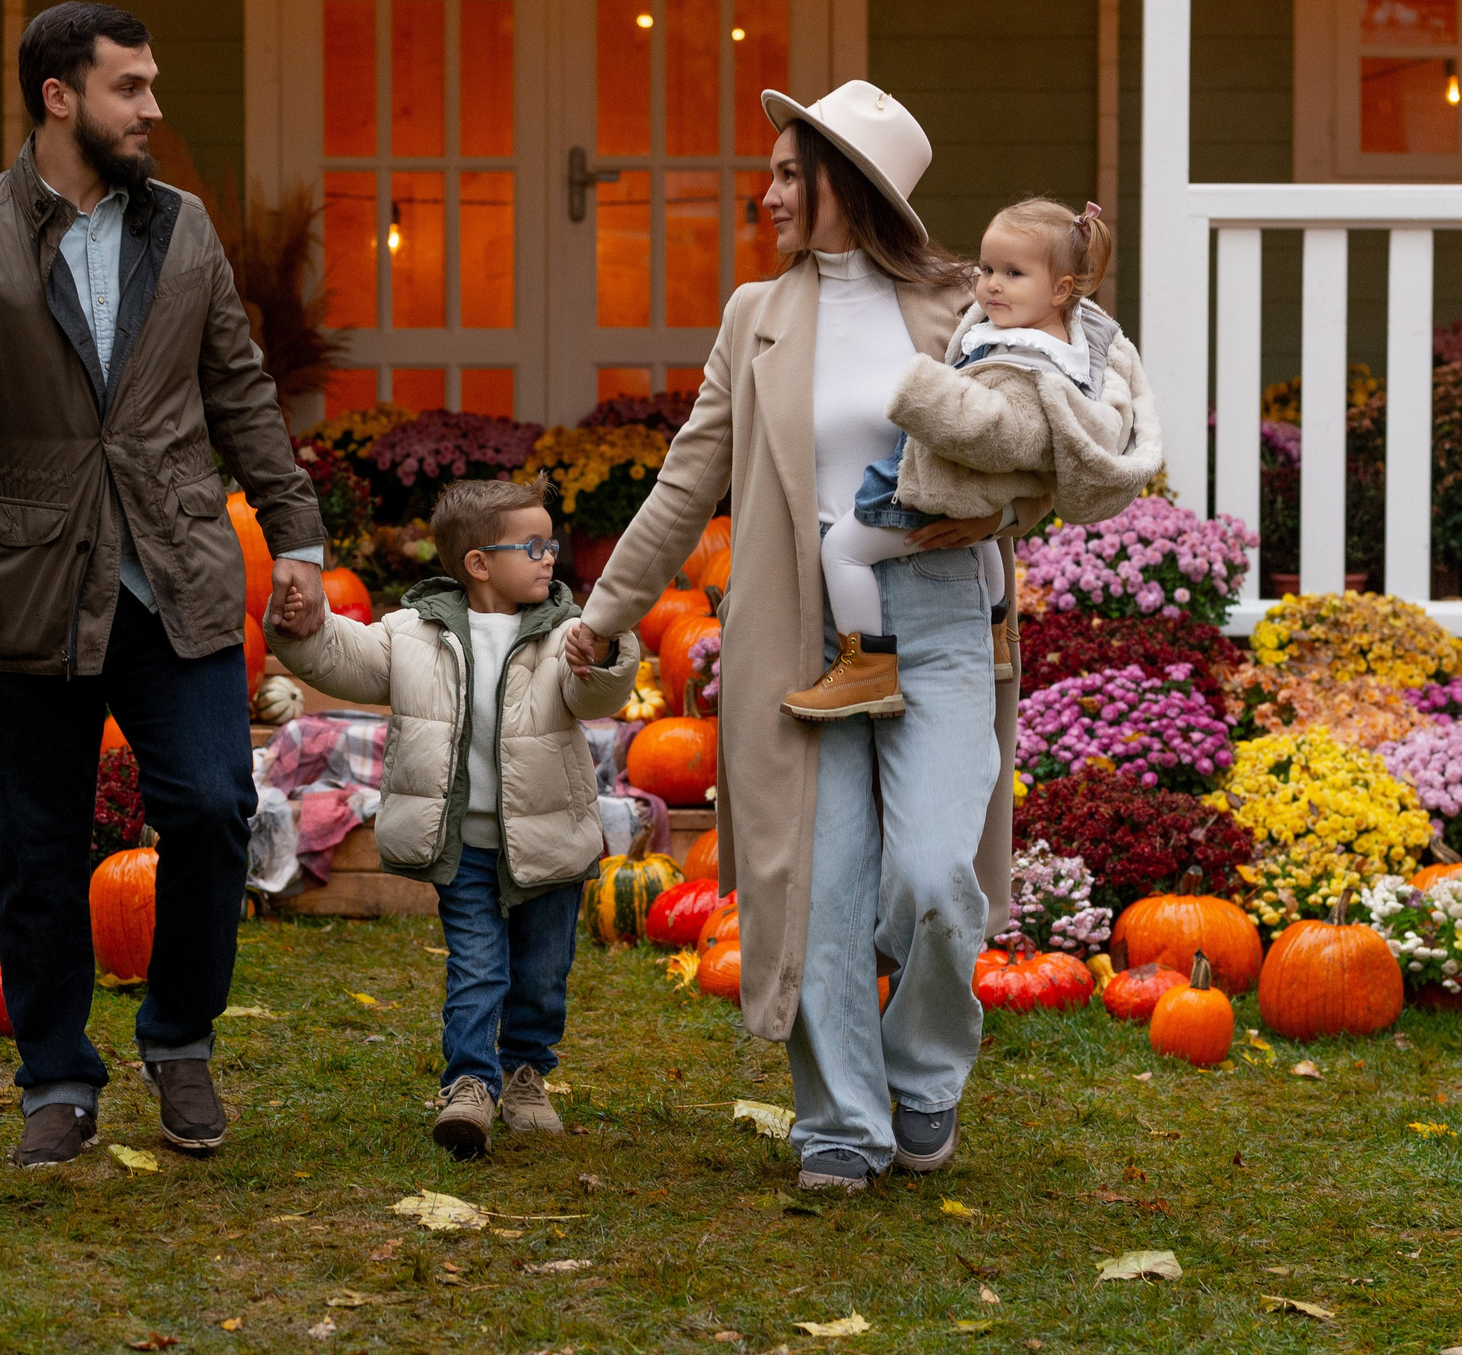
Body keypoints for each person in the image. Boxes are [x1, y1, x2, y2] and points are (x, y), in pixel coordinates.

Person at [564, 81, 1059, 1190]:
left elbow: (1042, 442)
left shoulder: (955, 307)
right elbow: (685, 481)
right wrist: (601, 617)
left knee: (934, 875)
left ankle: (921, 1076)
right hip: (802, 641)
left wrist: (999, 510)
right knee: (819, 890)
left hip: (937, 627)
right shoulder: (756, 317)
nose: (767, 193)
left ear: (852, 182)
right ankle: (840, 1115)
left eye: (791, 173)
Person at [0, 1, 328, 1169]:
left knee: (215, 808)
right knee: (36, 844)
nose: (154, 109)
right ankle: (58, 1075)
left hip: (173, 574)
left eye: (152, 82)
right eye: (131, 87)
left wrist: (301, 539)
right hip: (30, 583)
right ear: (59, 97)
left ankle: (178, 1038)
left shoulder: (181, 230)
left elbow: (240, 388)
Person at [265, 477, 640, 1157]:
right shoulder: (413, 633)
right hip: (464, 844)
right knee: (476, 964)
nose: (549, 556)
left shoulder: (566, 632)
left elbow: (599, 693)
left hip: (547, 840)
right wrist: (298, 628)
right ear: (478, 563)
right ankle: (469, 1082)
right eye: (532, 545)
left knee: (540, 971)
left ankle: (526, 1073)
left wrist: (608, 654)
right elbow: (340, 656)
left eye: (550, 543)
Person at [784, 195, 1160, 721]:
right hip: (980, 495)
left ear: (1061, 289)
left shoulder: (1029, 360)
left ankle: (866, 664)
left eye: (1012, 272)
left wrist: (926, 396)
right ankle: (997, 627)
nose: (991, 284)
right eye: (986, 269)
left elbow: (999, 431)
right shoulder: (1056, 337)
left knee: (844, 550)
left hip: (943, 485)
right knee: (985, 537)